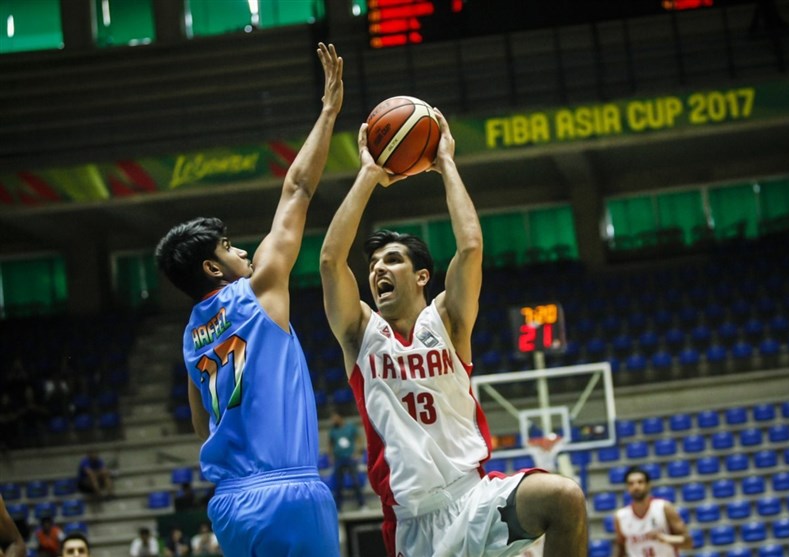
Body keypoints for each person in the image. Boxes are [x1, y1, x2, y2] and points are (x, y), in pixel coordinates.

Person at [319, 109, 588, 557]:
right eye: (373, 265)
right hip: (413, 522)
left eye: (391, 260)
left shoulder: (447, 320)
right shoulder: (360, 333)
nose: (378, 269)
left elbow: (471, 247)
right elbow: (330, 261)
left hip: (475, 498)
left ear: (423, 275)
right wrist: (368, 173)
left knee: (564, 498)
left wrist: (446, 163)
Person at [154, 42, 344, 556]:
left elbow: (201, 426)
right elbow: (297, 190)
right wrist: (328, 112)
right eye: (229, 247)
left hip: (231, 504)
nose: (242, 250)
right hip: (287, 490)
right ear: (214, 268)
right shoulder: (257, 291)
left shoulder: (192, 335)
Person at [613, 465, 692, 557]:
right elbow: (620, 548)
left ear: (648, 485)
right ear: (627, 487)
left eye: (640, 482)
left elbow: (688, 542)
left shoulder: (664, 508)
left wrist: (665, 538)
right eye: (631, 483)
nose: (636, 486)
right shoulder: (621, 516)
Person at [328, 411, 366, 510]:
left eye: (335, 418)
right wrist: (331, 457)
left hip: (350, 458)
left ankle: (362, 505)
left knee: (356, 481)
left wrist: (358, 452)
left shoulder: (350, 427)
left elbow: (359, 438)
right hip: (338, 459)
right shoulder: (333, 430)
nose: (333, 421)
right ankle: (338, 508)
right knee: (338, 484)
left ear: (340, 418)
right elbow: (330, 445)